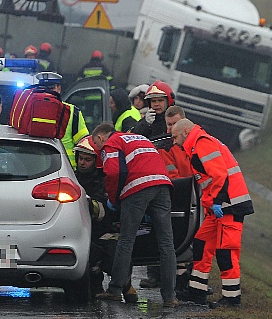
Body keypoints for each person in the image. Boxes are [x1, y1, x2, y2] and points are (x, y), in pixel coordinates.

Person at [90, 122, 178, 307]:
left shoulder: (111, 142)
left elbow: (114, 172)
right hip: (162, 185)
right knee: (166, 243)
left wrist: (113, 199)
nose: (100, 151)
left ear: (100, 137)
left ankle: (114, 290)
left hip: (137, 187)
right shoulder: (139, 139)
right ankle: (170, 296)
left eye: (98, 147)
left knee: (126, 239)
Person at [171, 117, 254, 307]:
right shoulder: (197, 145)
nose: (174, 141)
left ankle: (232, 298)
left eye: (175, 137)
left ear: (185, 132)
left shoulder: (202, 143)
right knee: (201, 243)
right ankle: (197, 291)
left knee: (226, 252)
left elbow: (220, 175)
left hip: (228, 205)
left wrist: (216, 201)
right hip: (220, 206)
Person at [130, 81, 176, 289]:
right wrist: (143, 125)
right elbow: (131, 141)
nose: (156, 105)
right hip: (149, 179)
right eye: (153, 101)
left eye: (160, 101)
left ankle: (176, 278)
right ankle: (154, 274)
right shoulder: (145, 122)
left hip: (173, 180)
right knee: (151, 227)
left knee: (170, 230)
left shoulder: (175, 120)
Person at [73, 136, 113, 295]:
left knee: (109, 251)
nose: (82, 162)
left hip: (99, 229)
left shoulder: (103, 181)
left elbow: (101, 211)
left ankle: (123, 285)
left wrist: (86, 202)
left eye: (87, 160)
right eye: (80, 158)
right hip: (76, 228)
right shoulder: (72, 178)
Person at [34, 71, 88, 166]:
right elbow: (83, 143)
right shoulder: (71, 111)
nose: (48, 91)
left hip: (36, 168)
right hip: (65, 169)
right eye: (45, 88)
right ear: (59, 88)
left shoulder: (27, 108)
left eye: (50, 88)